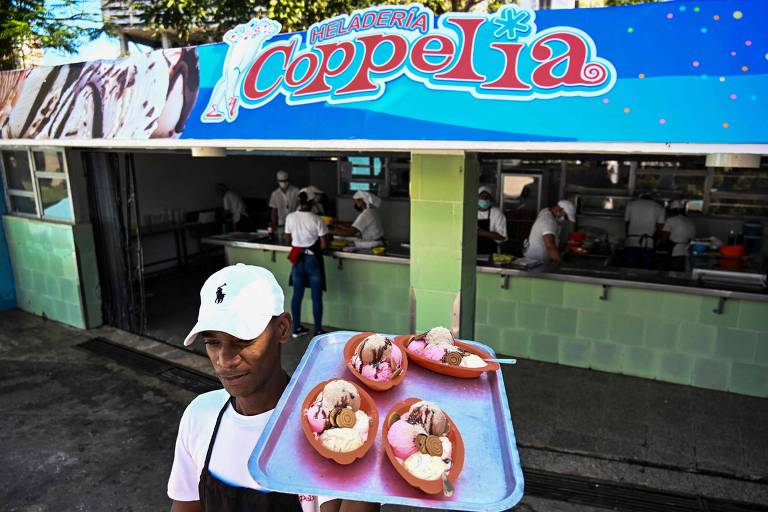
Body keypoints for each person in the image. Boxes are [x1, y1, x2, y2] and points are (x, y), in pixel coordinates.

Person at [168, 263, 378, 512]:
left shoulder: (324, 430)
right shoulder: (200, 415)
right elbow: (186, 505)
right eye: (213, 342)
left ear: (282, 329)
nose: (224, 360)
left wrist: (369, 451)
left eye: (242, 341)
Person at [285, 188, 328, 337]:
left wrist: (300, 244)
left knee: (297, 295)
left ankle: (296, 328)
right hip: (312, 260)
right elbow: (323, 244)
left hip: (297, 260)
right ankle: (318, 330)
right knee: (316, 296)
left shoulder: (290, 217)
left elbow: (288, 240)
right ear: (311, 202)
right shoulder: (316, 219)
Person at [523, 200, 576, 264]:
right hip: (537, 261)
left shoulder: (546, 211)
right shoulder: (548, 221)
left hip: (532, 256)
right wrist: (561, 263)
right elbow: (550, 246)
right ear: (559, 209)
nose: (564, 219)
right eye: (565, 217)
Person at [624, 193, 665, 269]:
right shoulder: (659, 207)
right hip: (648, 243)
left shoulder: (630, 204)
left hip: (631, 241)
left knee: (629, 271)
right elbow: (660, 228)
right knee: (646, 273)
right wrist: (656, 241)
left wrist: (628, 238)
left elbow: (627, 224)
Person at [660, 200, 695, 271]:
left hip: (675, 251)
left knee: (674, 272)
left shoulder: (670, 220)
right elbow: (692, 238)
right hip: (687, 252)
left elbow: (664, 237)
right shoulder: (689, 221)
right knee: (683, 272)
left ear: (673, 210)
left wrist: (661, 244)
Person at [477, 186, 508, 255]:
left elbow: (502, 237)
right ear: (477, 199)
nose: (484, 199)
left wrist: (481, 232)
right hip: (473, 252)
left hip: (491, 251)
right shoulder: (471, 212)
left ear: (490, 199)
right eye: (482, 197)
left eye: (487, 197)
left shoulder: (497, 213)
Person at [269, 170, 299, 237]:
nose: (283, 183)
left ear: (288, 180)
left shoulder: (295, 191)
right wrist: (274, 224)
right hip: (281, 223)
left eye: (285, 181)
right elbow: (274, 210)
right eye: (281, 181)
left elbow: (299, 206)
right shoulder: (275, 194)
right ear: (277, 181)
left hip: (294, 222)